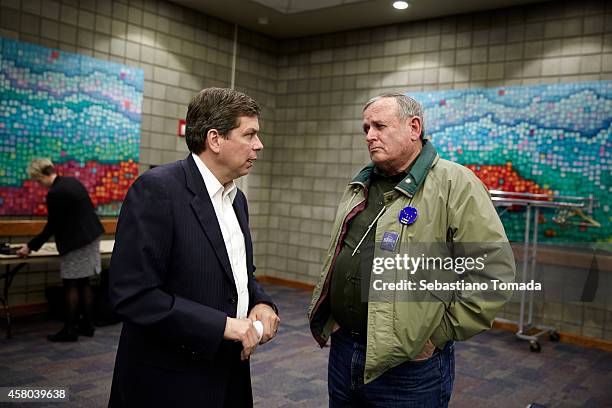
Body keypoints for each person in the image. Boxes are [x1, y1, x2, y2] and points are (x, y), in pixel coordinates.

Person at [308, 93, 515, 407]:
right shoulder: (361, 184)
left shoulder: (455, 183)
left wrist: (436, 337)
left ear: (414, 127)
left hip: (409, 366)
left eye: (379, 125)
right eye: (366, 128)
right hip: (345, 350)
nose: (370, 136)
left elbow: (492, 274)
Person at [108, 87, 280, 408]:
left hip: (229, 371)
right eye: (250, 134)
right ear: (215, 140)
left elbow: (240, 273)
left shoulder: (237, 199)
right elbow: (132, 295)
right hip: (171, 379)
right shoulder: (158, 190)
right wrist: (223, 326)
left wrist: (263, 303)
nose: (259, 145)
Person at [18, 158, 104, 342]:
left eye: (38, 181)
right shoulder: (70, 182)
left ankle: (70, 330)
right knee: (85, 282)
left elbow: (52, 226)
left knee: (71, 284)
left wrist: (30, 246)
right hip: (92, 237)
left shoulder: (56, 192)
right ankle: (88, 325)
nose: (39, 185)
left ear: (42, 175)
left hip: (77, 242)